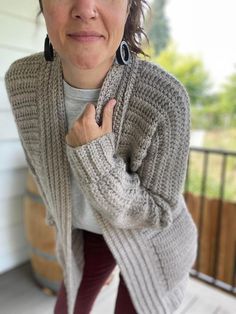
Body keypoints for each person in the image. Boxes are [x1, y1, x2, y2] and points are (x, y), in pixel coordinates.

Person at [5, 0, 198, 313]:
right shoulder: (21, 81)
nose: (85, 8)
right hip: (88, 238)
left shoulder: (165, 98)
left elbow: (160, 212)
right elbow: (39, 168)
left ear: (129, 6)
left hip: (151, 243)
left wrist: (95, 159)